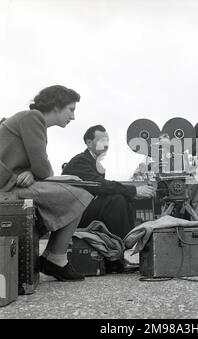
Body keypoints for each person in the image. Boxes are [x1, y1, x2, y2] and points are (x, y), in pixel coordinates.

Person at [0, 85, 94, 281]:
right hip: (5, 189)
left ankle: (55, 257)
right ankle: (55, 258)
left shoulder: (30, 119)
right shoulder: (33, 117)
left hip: (8, 184)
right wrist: (40, 173)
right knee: (81, 191)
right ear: (57, 106)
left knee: (77, 186)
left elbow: (33, 167)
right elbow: (43, 169)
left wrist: (30, 172)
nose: (73, 117)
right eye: (71, 109)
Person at [62, 125, 155, 239]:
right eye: (102, 141)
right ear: (89, 143)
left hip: (82, 209)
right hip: (72, 213)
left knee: (123, 197)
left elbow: (103, 187)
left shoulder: (94, 163)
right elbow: (100, 185)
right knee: (116, 200)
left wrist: (131, 193)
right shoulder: (81, 161)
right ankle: (122, 243)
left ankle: (127, 239)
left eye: (107, 140)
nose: (106, 144)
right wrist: (134, 190)